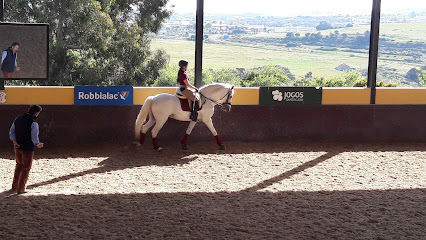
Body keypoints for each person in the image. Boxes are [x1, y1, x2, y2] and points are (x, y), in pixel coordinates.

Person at [9, 105, 44, 194]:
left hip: (17, 146)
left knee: (19, 165)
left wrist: (14, 142)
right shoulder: (34, 123)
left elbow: (12, 131)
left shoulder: (18, 118)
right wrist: (38, 144)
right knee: (26, 168)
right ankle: (21, 189)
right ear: (36, 113)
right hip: (27, 148)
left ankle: (15, 185)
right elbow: (34, 138)